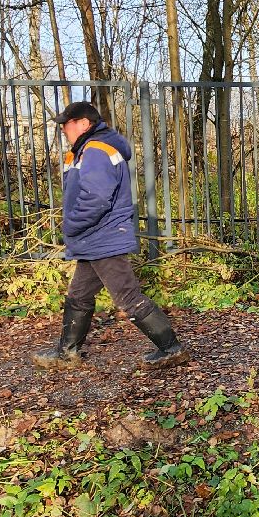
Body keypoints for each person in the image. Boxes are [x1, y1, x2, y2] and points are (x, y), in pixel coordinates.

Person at [34, 100, 189, 370]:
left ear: (84, 124)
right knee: (79, 295)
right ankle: (67, 353)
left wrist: (70, 225)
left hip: (102, 237)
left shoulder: (95, 150)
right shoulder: (87, 149)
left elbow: (96, 198)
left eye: (66, 125)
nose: (63, 130)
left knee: (127, 296)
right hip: (94, 238)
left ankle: (171, 348)